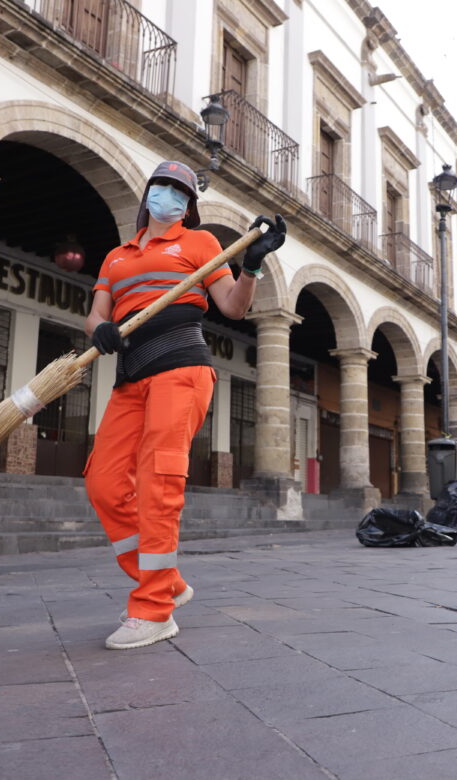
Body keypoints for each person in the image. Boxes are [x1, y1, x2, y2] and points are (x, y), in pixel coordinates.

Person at [83, 160, 286, 650]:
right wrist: (101, 330)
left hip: (181, 370)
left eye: (180, 190)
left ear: (189, 204)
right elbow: (95, 315)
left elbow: (233, 307)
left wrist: (252, 266)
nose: (168, 195)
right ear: (148, 191)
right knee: (103, 483)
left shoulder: (201, 243)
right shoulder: (115, 257)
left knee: (158, 481)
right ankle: (166, 580)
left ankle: (154, 609)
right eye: (162, 185)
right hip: (130, 376)